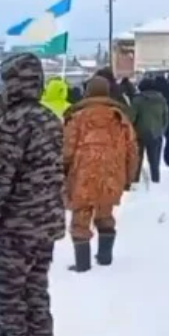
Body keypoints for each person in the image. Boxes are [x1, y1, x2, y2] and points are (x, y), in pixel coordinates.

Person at [0, 53, 65, 336]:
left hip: (16, 226)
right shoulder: (50, 119)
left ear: (13, 83)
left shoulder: (13, 121)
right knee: (36, 293)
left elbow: (1, 178)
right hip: (46, 225)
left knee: (9, 296)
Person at [63, 76, 138, 272]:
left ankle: (83, 263)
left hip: (82, 176)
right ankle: (105, 257)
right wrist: (129, 177)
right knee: (105, 213)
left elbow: (66, 149)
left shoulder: (78, 117)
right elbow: (132, 150)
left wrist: (62, 171)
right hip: (112, 175)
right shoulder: (120, 117)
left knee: (81, 217)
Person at [130, 78, 169, 184]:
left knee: (137, 159)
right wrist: (161, 130)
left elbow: (131, 117)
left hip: (139, 133)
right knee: (155, 161)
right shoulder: (162, 99)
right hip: (156, 134)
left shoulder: (138, 100)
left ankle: (135, 180)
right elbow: (166, 117)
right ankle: (155, 179)